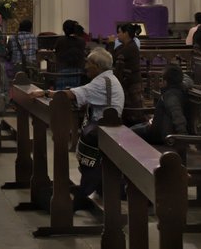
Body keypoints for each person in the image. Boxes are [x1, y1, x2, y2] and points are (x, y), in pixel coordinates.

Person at [31, 48, 124, 211]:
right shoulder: (105, 79)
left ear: (97, 65)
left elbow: (73, 94)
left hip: (104, 131)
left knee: (91, 167)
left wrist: (45, 93)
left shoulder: (103, 82)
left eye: (88, 62)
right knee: (91, 165)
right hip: (103, 127)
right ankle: (93, 189)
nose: (85, 66)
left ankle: (79, 198)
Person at [131, 64, 189, 145]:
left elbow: (177, 115)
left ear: (165, 82)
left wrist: (182, 138)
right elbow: (188, 79)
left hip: (159, 135)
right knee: (133, 129)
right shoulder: (177, 89)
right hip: (157, 128)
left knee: (128, 133)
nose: (161, 82)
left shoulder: (170, 95)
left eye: (162, 79)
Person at [111, 23, 143, 111]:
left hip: (132, 83)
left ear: (126, 33)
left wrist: (110, 43)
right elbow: (111, 56)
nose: (117, 35)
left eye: (119, 32)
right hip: (126, 82)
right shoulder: (123, 46)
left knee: (135, 111)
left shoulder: (131, 47)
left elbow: (113, 58)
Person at [54, 20, 87, 88]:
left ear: (64, 29)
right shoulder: (81, 41)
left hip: (62, 71)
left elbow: (56, 53)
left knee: (61, 94)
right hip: (78, 72)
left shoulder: (60, 41)